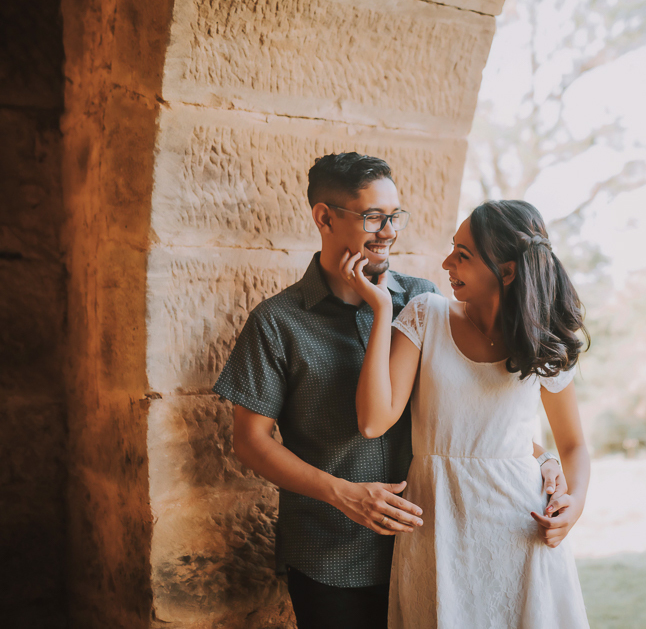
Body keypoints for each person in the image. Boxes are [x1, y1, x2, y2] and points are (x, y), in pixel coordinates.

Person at [213, 154, 566, 629]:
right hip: (331, 556)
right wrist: (343, 495)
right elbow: (249, 441)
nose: (389, 231)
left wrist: (542, 459)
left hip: (435, 546)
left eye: (395, 216)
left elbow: (467, 409)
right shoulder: (276, 322)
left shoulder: (425, 301)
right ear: (324, 218)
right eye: (373, 217)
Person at [343, 199, 592, 628]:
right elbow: (372, 421)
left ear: (507, 272)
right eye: (452, 249)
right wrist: (381, 310)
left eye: (463, 255)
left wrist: (576, 505)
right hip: (437, 524)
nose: (447, 263)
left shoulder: (543, 342)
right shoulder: (426, 314)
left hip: (522, 531)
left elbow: (572, 445)